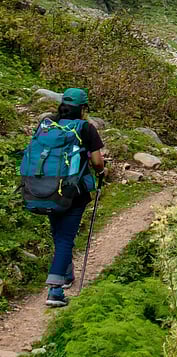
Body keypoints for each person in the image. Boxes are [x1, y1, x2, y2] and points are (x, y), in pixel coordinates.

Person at [45, 87, 104, 307]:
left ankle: (66, 275)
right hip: (73, 191)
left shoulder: (48, 123)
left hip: (46, 188)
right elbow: (97, 161)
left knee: (59, 234)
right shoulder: (86, 128)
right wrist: (100, 173)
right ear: (83, 108)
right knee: (65, 238)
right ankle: (55, 291)